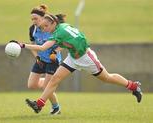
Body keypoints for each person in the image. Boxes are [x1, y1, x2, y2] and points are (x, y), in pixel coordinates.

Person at [15, 13, 143, 113]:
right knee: (54, 79)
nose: (45, 29)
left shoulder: (58, 33)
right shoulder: (63, 27)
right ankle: (39, 104)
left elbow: (43, 48)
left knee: (106, 78)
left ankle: (133, 86)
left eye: (46, 26)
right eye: (42, 28)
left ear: (53, 23)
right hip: (73, 58)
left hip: (86, 57)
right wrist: (60, 48)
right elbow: (72, 40)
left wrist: (22, 45)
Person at [24, 5, 65, 115]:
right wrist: (37, 57)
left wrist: (55, 51)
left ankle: (56, 108)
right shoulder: (32, 29)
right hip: (41, 59)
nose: (34, 21)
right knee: (31, 85)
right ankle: (51, 82)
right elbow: (33, 45)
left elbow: (63, 44)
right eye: (32, 19)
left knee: (46, 87)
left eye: (36, 18)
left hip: (53, 61)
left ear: (43, 18)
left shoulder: (52, 28)